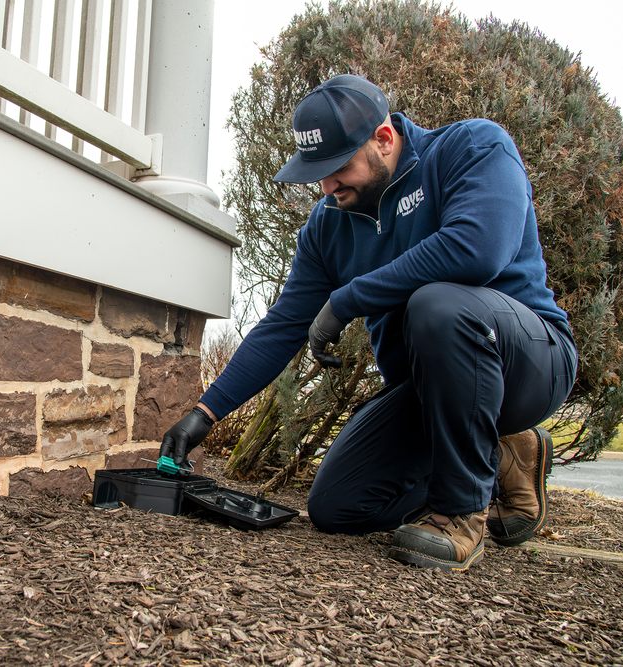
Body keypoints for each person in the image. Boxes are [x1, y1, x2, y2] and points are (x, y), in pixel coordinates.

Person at [159, 74, 578, 572]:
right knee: (337, 506)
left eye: (338, 167)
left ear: (383, 139)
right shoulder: (327, 224)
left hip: (528, 362)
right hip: (430, 392)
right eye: (317, 171)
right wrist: (204, 414)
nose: (327, 185)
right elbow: (283, 325)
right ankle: (502, 454)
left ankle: (462, 511)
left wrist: (348, 298)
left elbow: (476, 250)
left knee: (438, 305)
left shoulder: (472, 147)